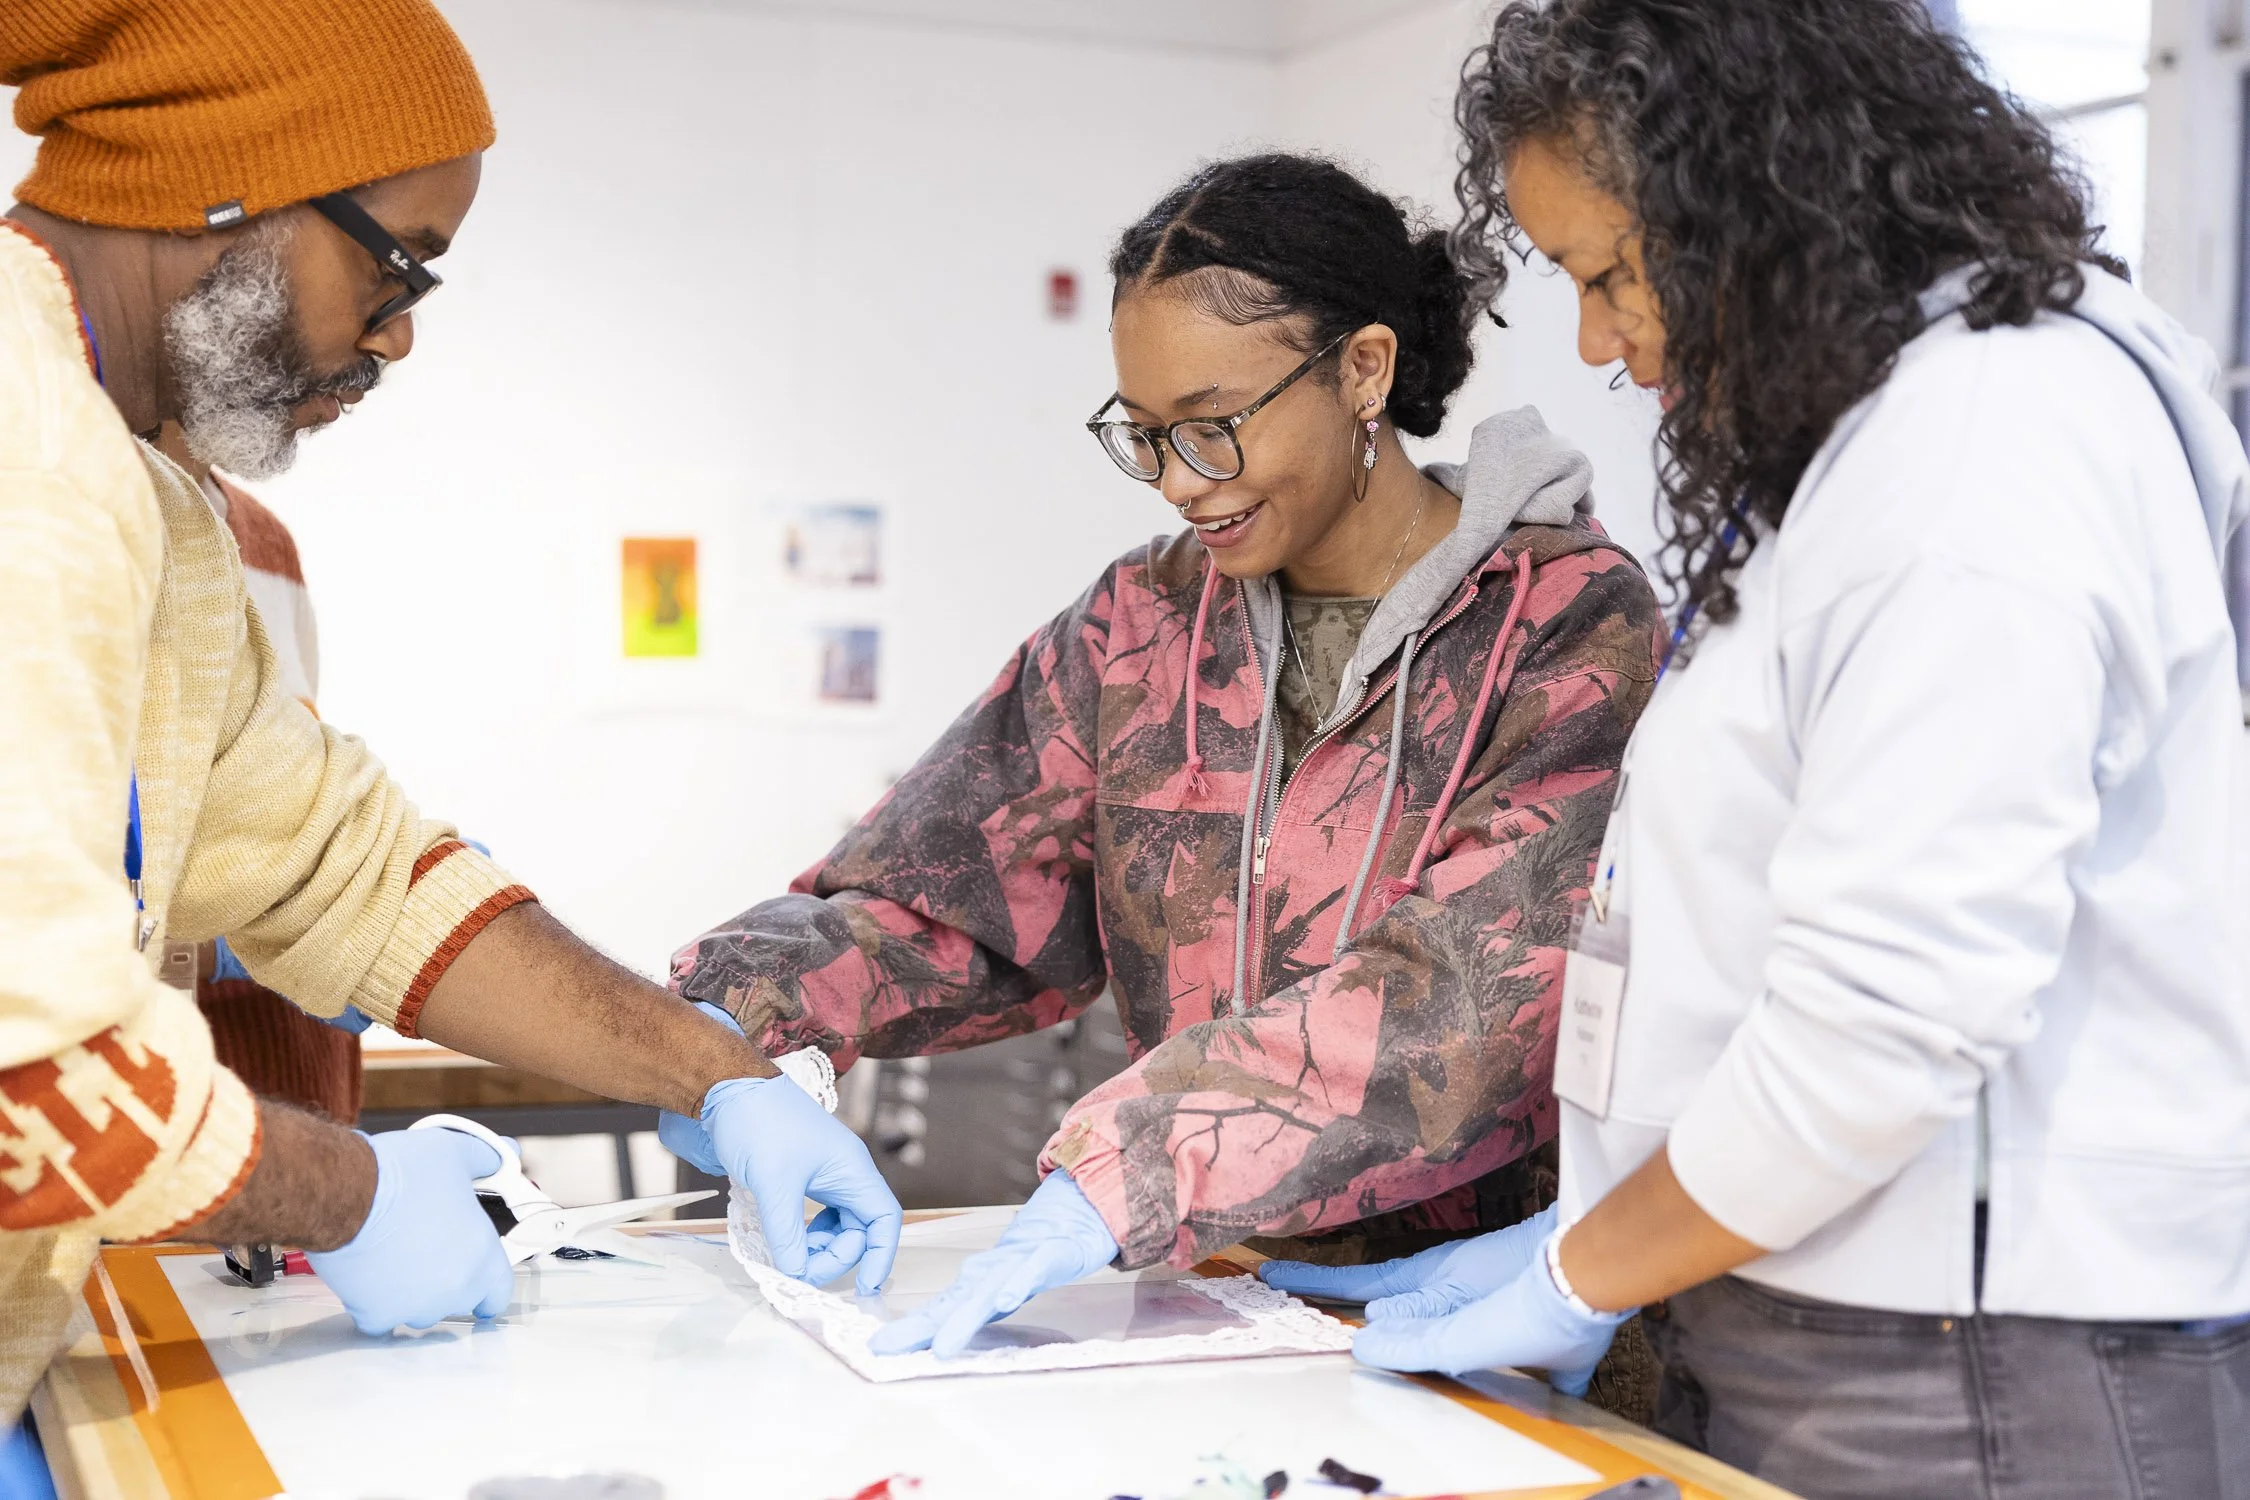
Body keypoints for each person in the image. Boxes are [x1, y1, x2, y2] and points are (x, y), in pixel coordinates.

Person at [1259, 2, 2250, 1495]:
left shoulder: (1978, 450)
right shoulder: (1876, 442)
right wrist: (1594, 1228)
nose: (1596, 339)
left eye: (1609, 272)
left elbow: (1888, 1021)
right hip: (1818, 1293)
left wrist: (1584, 1268)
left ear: (1766, 196)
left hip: (1971, 1355)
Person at [0, 0, 901, 1472]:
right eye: (394, 260)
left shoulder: (146, 499)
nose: (400, 330)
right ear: (228, 182)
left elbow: (348, 869)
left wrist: (711, 1075)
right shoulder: (25, 460)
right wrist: (352, 1198)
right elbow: (28, 1069)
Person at [665, 153, 1663, 1361]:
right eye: (1144, 437)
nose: (1181, 484)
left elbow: (1475, 1006)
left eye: (1214, 429)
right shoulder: (1141, 624)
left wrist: (1131, 1163)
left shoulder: (1565, 624)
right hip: (1207, 1295)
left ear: (1364, 369)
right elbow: (948, 898)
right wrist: (725, 1026)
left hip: (1476, 1313)